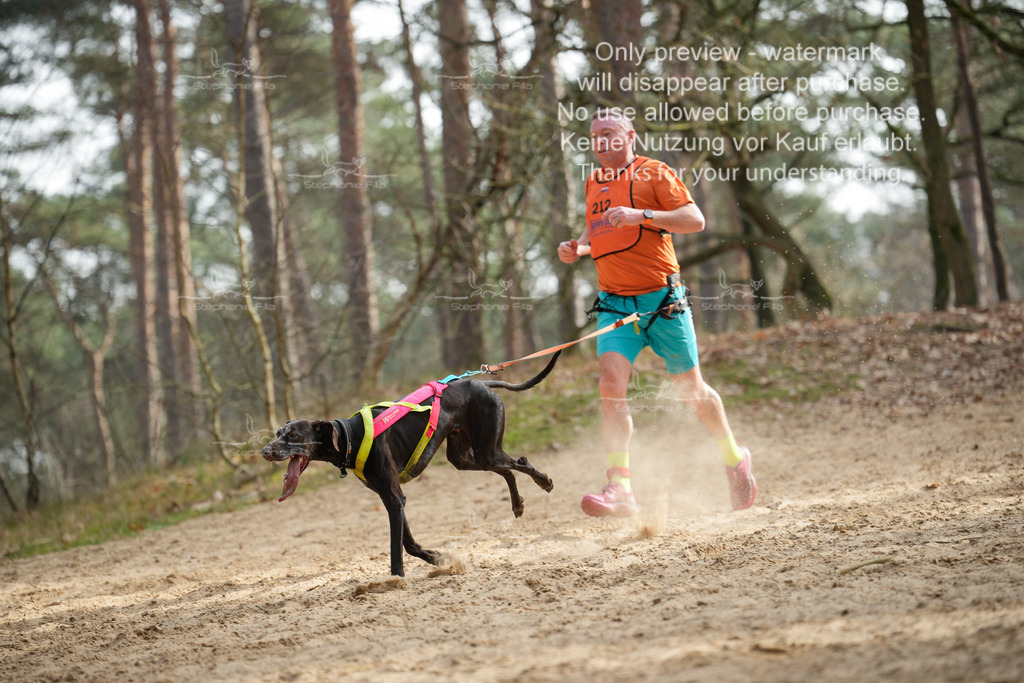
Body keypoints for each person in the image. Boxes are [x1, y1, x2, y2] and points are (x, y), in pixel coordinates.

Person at [557, 109, 756, 517]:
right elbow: (596, 228)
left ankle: (734, 459)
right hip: (614, 302)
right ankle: (621, 487)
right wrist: (577, 247)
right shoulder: (594, 181)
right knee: (610, 384)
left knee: (693, 392)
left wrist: (643, 215)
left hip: (663, 301)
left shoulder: (655, 173)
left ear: (630, 136)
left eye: (609, 133)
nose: (600, 141)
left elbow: (694, 220)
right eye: (594, 136)